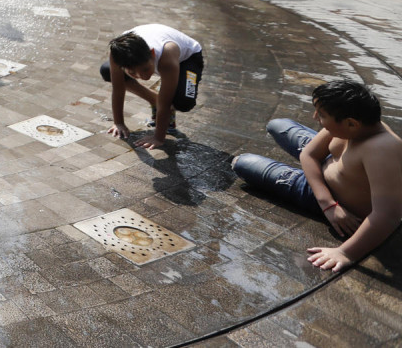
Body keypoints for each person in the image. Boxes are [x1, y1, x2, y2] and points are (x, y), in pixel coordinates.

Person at [232, 80, 402, 272]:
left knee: (243, 163)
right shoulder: (355, 126)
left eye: (321, 115)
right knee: (277, 124)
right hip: (327, 185)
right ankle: (320, 152)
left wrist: (346, 253)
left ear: (351, 124)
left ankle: (298, 177)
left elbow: (388, 215)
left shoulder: (381, 150)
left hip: (331, 197)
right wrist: (327, 203)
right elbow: (309, 154)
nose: (315, 117)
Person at [102, 24, 205, 149]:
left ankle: (162, 101)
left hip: (188, 58)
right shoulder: (116, 53)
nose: (142, 76)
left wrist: (158, 138)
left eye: (145, 69)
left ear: (152, 54)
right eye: (132, 72)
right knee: (107, 71)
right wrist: (118, 123)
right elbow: (118, 89)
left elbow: (165, 102)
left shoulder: (166, 57)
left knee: (183, 101)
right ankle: (154, 99)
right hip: (150, 45)